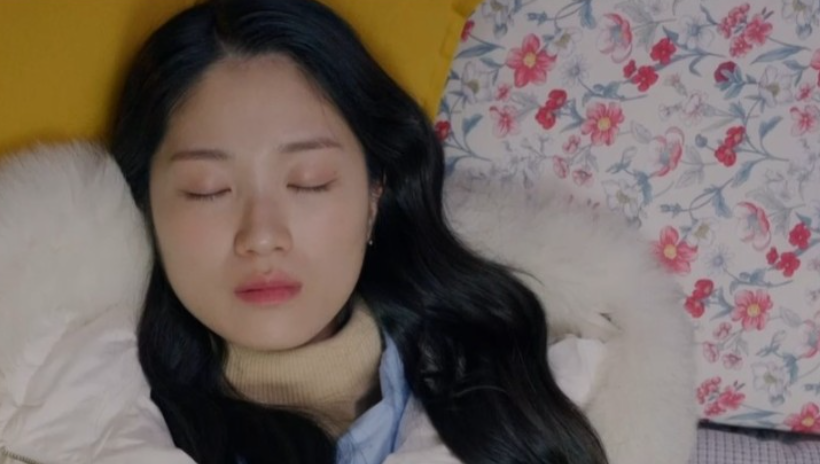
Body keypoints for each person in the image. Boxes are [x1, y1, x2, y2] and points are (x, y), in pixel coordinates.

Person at [108, 0, 609, 462]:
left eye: (309, 182)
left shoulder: (537, 380)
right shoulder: (95, 424)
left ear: (374, 196)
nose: (261, 235)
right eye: (208, 190)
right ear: (143, 205)